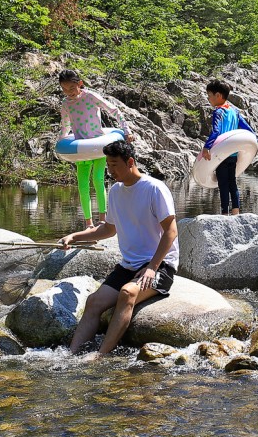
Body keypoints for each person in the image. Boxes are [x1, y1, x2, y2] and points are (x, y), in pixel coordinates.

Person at [59, 140, 179, 358]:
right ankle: (71, 356)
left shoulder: (155, 189)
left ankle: (100, 356)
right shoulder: (115, 191)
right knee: (93, 302)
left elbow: (171, 232)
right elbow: (108, 229)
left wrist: (153, 267)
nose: (110, 171)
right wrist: (75, 237)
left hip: (161, 265)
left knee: (127, 293)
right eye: (108, 165)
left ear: (130, 162)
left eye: (114, 165)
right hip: (129, 265)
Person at [58, 69, 133, 229]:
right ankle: (88, 223)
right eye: (64, 89)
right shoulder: (66, 103)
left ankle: (103, 219)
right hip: (81, 149)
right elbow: (65, 125)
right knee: (82, 184)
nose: (68, 93)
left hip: (98, 147)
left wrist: (126, 130)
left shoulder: (91, 96)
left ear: (80, 84)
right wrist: (60, 142)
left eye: (71, 88)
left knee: (98, 179)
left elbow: (114, 110)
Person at [201, 79, 256, 215]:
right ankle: (236, 210)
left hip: (221, 154)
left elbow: (216, 131)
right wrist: (255, 142)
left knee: (223, 184)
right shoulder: (234, 112)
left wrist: (207, 147)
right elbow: (249, 130)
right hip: (233, 155)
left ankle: (225, 212)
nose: (208, 99)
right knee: (232, 183)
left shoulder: (219, 112)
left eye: (209, 96)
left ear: (218, 95)